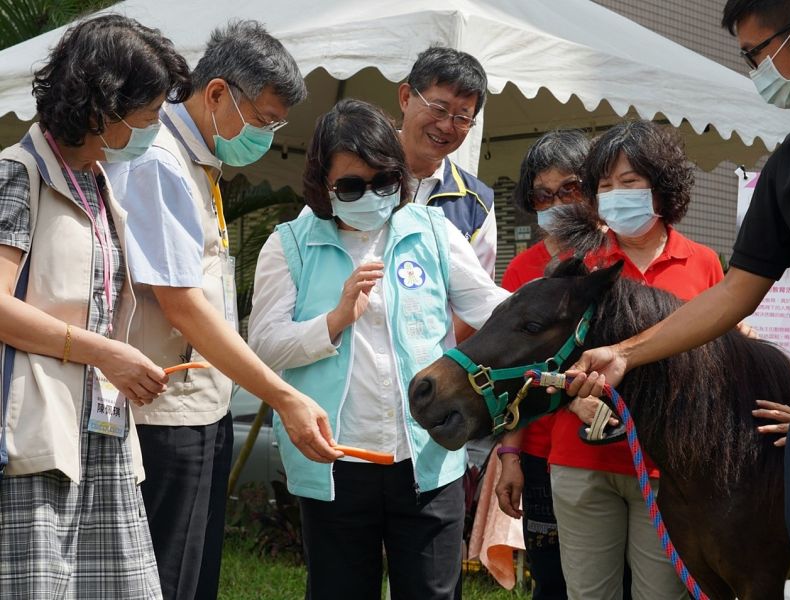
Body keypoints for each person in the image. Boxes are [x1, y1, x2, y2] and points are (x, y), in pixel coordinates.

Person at [103, 20, 340, 600]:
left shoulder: (195, 162)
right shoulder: (159, 160)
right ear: (215, 94)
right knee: (167, 579)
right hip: (164, 412)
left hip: (198, 407)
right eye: (262, 121)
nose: (265, 135)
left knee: (195, 574)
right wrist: (282, 395)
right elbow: (181, 304)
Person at [563, 0, 790, 577]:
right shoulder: (789, 164)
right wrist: (622, 354)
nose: (756, 72)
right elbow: (735, 294)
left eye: (757, 53)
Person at [247, 98, 510, 600]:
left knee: (433, 592)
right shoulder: (290, 245)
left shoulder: (431, 231)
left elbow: (488, 306)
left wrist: (556, 308)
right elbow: (264, 344)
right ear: (323, 186)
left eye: (384, 182)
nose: (369, 195)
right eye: (351, 186)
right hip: (335, 461)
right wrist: (335, 319)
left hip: (427, 455)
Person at [0, 15, 191, 599]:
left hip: (100, 431)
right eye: (150, 112)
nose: (156, 127)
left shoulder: (98, 178)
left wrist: (113, 358)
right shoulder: (18, 172)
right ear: (103, 106)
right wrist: (107, 353)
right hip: (36, 436)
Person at [547, 120, 724, 600]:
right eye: (604, 186)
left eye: (629, 183)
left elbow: (715, 360)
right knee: (588, 594)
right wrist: (570, 397)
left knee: (662, 594)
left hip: (669, 469)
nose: (615, 195)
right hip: (582, 460)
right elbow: (543, 354)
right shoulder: (579, 261)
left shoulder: (705, 263)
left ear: (662, 190)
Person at [494, 130, 590, 600]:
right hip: (536, 451)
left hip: (602, 451)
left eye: (568, 189)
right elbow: (513, 376)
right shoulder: (521, 270)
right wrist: (509, 456)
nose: (556, 204)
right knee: (551, 580)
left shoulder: (611, 258)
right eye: (542, 195)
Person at [398, 46, 497, 341]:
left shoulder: (477, 203)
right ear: (406, 97)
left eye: (462, 118)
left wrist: (425, 352)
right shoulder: (356, 176)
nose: (445, 126)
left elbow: (476, 301)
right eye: (438, 109)